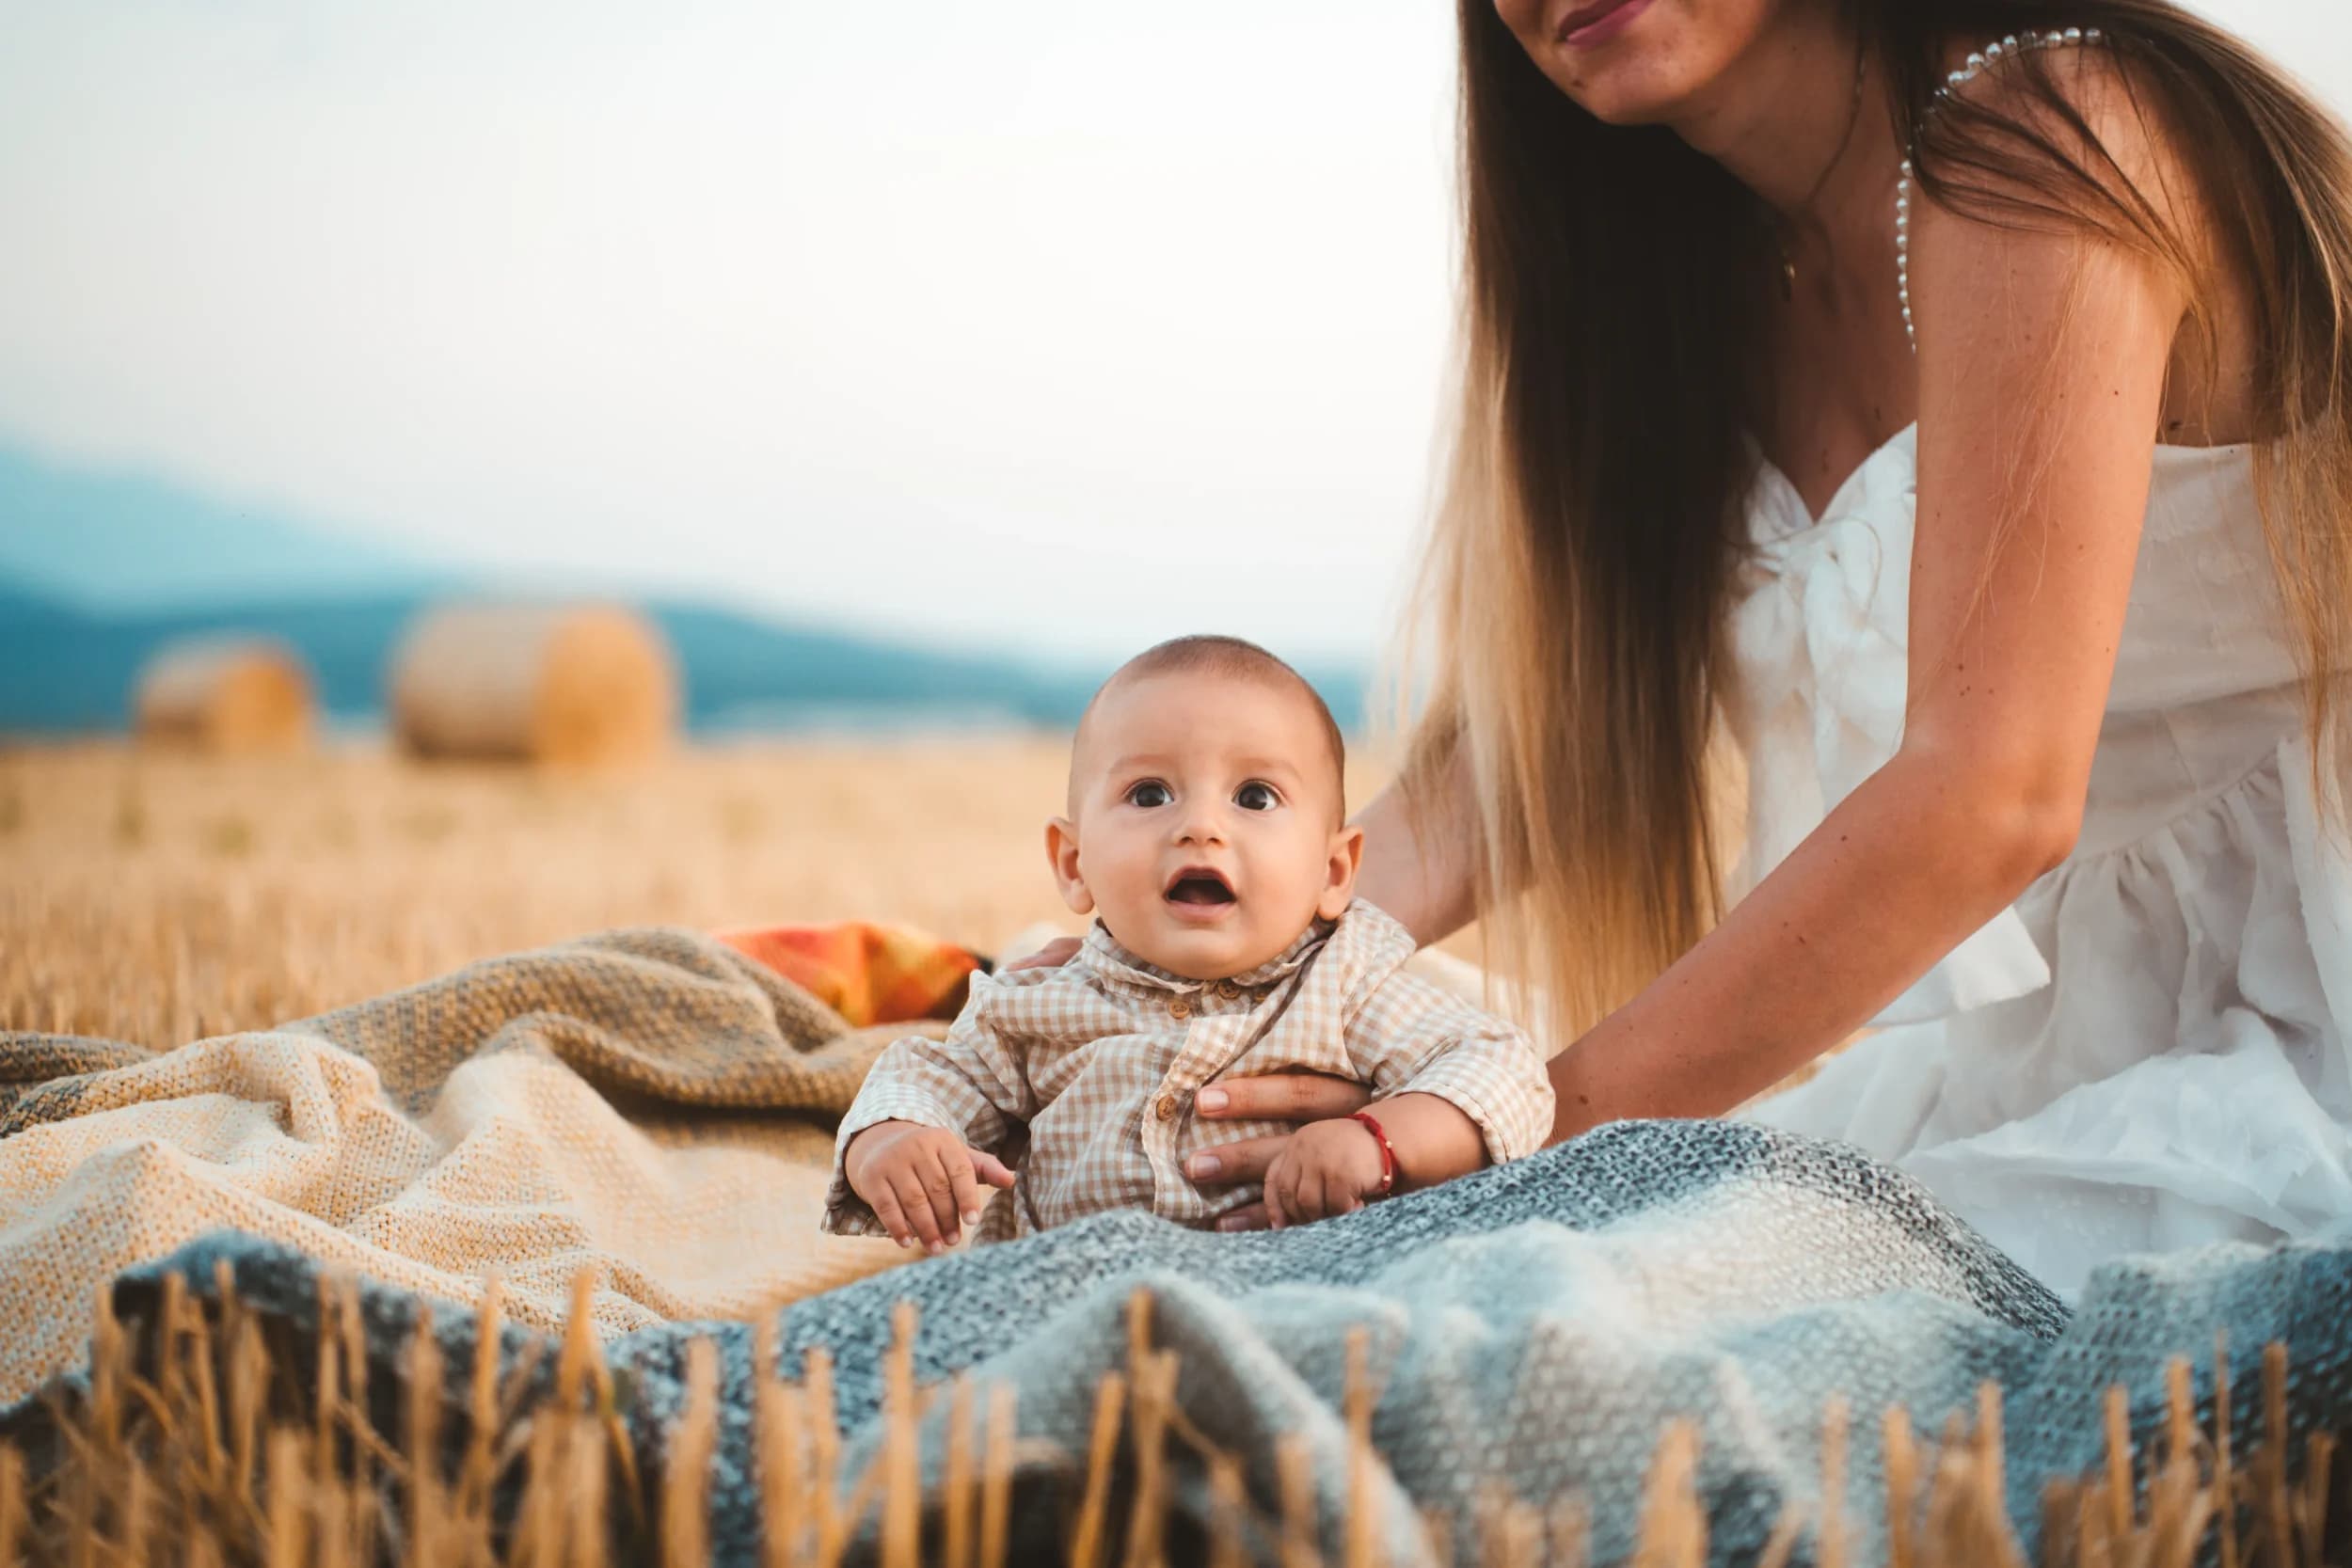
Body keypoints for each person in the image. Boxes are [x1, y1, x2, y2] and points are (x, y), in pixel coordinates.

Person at [1019, 1, 2352, 1295]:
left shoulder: (2054, 128)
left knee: (1547, 1306)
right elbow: (1542, 754)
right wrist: (1186, 966)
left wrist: (1494, 1135)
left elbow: (1991, 797)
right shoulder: (1696, 275)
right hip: (2047, 1036)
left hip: (2309, 1007)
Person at [824, 636, 1553, 1251]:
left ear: (1334, 872)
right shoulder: (1035, 1004)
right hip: (1067, 1292)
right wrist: (892, 1138)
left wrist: (1380, 1138)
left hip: (1302, 1282)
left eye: (1254, 796)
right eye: (1150, 794)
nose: (1201, 826)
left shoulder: (1345, 984)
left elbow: (1500, 1067)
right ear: (1074, 864)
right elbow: (930, 1074)